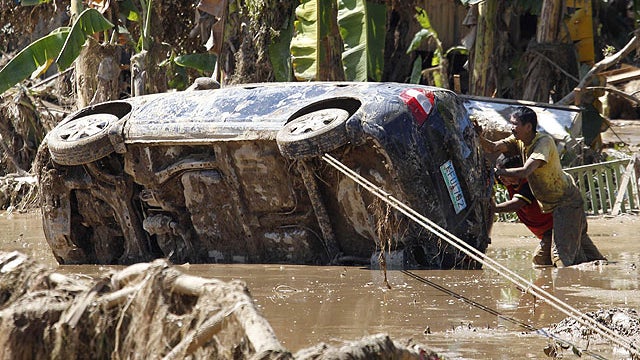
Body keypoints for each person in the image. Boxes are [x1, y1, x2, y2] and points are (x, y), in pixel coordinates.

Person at [480, 106, 606, 267]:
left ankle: (571, 288)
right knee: (587, 253)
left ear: (528, 127)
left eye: (515, 124)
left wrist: (497, 171)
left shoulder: (543, 143)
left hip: (565, 203)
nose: (511, 127)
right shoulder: (518, 140)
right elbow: (492, 147)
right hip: (557, 206)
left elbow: (526, 171)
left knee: (561, 257)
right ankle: (601, 274)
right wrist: (478, 136)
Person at [493, 154, 554, 266]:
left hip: (554, 229)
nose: (501, 178)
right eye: (500, 174)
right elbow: (492, 176)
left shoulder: (529, 184)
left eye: (505, 174)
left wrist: (492, 209)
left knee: (541, 261)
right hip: (545, 230)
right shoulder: (508, 180)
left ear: (517, 172)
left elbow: (516, 204)